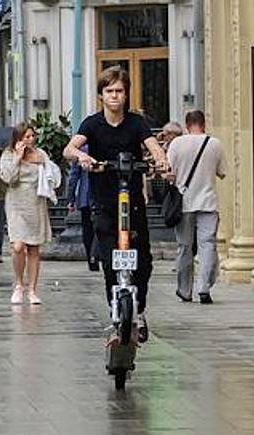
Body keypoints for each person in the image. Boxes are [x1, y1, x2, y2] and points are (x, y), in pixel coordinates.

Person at [64, 65, 171, 340]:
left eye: (119, 91)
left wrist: (161, 160)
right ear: (101, 94)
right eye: (109, 91)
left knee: (143, 261)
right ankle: (115, 310)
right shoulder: (92, 123)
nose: (114, 96)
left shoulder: (136, 123)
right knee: (110, 261)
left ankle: (141, 309)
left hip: (133, 201)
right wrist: (82, 156)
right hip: (104, 201)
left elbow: (153, 145)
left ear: (126, 94)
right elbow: (69, 148)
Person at [167, 109, 227, 304]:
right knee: (208, 245)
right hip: (208, 202)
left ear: (186, 125)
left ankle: (185, 290)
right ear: (204, 124)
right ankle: (204, 288)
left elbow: (169, 173)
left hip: (184, 203)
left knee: (185, 247)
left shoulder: (177, 143)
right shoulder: (215, 144)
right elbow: (222, 172)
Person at [0, 122, 54, 305]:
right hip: (16, 202)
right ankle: (18, 284)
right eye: (26, 136)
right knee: (18, 246)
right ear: (18, 138)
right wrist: (18, 157)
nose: (30, 140)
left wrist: (43, 165)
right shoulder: (8, 155)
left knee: (34, 248)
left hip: (36, 202)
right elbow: (8, 178)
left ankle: (32, 289)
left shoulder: (41, 154)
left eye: (32, 136)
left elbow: (52, 175)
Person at [66, 145, 99, 271]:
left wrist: (71, 198)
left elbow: (74, 176)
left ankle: (91, 257)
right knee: (101, 226)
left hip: (85, 196)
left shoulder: (80, 150)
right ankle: (96, 255)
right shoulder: (106, 145)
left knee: (88, 229)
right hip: (102, 194)